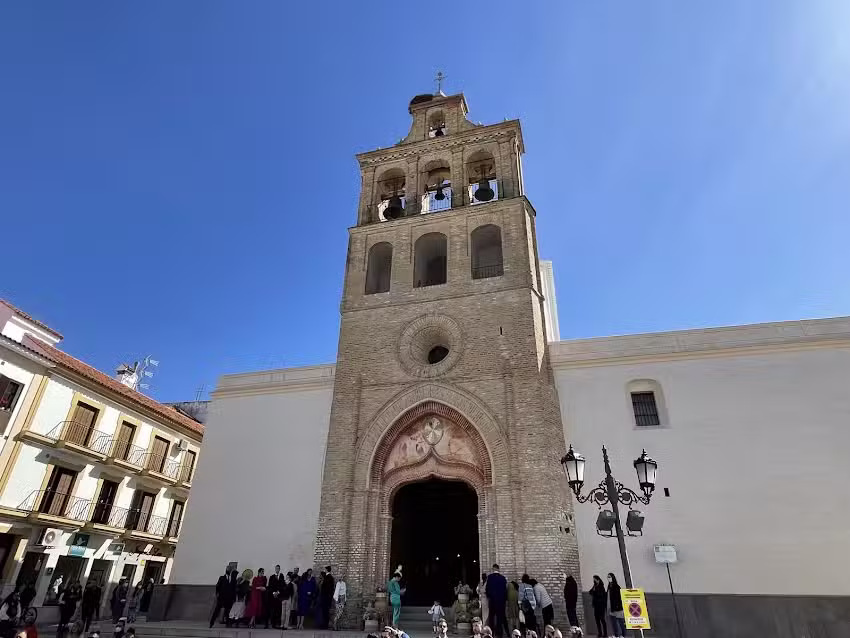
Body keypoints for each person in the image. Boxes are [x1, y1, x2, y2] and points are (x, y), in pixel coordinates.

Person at [485, 564, 507, 638]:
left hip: (492, 601)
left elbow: (487, 589)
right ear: (498, 569)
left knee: (491, 617)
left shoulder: (490, 578)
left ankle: (491, 633)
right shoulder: (503, 578)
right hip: (500, 602)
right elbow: (505, 591)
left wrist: (489, 597)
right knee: (499, 618)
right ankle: (499, 634)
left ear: (493, 569)